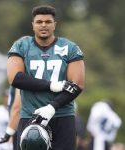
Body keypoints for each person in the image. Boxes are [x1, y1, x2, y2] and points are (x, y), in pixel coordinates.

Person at [7, 5, 85, 150]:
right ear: (33, 25)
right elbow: (16, 78)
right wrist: (51, 85)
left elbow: (77, 85)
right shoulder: (22, 46)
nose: (44, 25)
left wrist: (52, 107)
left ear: (54, 25)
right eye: (39, 22)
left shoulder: (69, 48)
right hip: (31, 115)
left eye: (48, 22)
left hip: (62, 116)